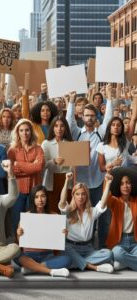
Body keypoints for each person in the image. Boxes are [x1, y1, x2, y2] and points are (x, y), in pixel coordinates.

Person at [66, 88, 113, 248]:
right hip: (81, 185)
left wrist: (110, 99)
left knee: (103, 217)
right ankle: (87, 247)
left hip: (99, 183)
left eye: (92, 115)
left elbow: (108, 120)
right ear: (82, 116)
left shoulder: (101, 132)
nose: (89, 118)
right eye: (87, 115)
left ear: (95, 117)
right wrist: (71, 101)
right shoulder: (77, 133)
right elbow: (69, 121)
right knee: (83, 218)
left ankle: (102, 247)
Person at [58, 172, 114, 273]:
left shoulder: (92, 212)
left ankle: (75, 264)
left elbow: (103, 202)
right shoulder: (68, 211)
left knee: (108, 254)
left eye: (83, 194)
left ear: (87, 196)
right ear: (73, 196)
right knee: (64, 247)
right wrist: (66, 181)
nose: (80, 197)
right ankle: (94, 267)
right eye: (77, 194)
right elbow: (62, 202)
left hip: (88, 249)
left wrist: (108, 183)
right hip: (71, 247)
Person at [15, 185, 71, 277]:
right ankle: (50, 271)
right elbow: (20, 241)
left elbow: (59, 241)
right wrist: (19, 234)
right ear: (33, 199)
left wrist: (64, 235)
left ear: (46, 198)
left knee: (68, 259)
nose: (40, 199)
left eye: (43, 196)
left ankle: (32, 268)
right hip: (29, 255)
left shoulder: (55, 216)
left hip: (47, 256)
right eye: (36, 197)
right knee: (16, 256)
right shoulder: (26, 216)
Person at [7, 119, 45, 232]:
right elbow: (11, 170)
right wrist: (30, 166)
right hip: (17, 191)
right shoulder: (12, 151)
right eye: (21, 130)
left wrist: (18, 164)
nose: (24, 133)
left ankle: (30, 245)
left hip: (34, 191)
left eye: (27, 130)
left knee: (32, 220)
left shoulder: (38, 148)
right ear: (17, 132)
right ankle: (17, 244)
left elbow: (39, 167)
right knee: (16, 220)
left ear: (31, 132)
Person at [106, 168, 137, 271]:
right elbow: (105, 199)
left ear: (132, 185)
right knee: (116, 253)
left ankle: (123, 263)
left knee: (117, 265)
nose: (125, 186)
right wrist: (107, 182)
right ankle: (129, 262)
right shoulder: (115, 201)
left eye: (128, 183)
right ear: (118, 187)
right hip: (120, 242)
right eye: (122, 184)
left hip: (134, 241)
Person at [41, 116, 73, 213]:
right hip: (51, 179)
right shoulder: (46, 144)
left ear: (65, 128)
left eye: (62, 126)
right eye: (56, 126)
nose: (59, 129)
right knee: (52, 208)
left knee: (66, 208)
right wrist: (53, 161)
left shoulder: (70, 143)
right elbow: (42, 165)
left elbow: (75, 165)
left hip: (67, 178)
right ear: (53, 128)